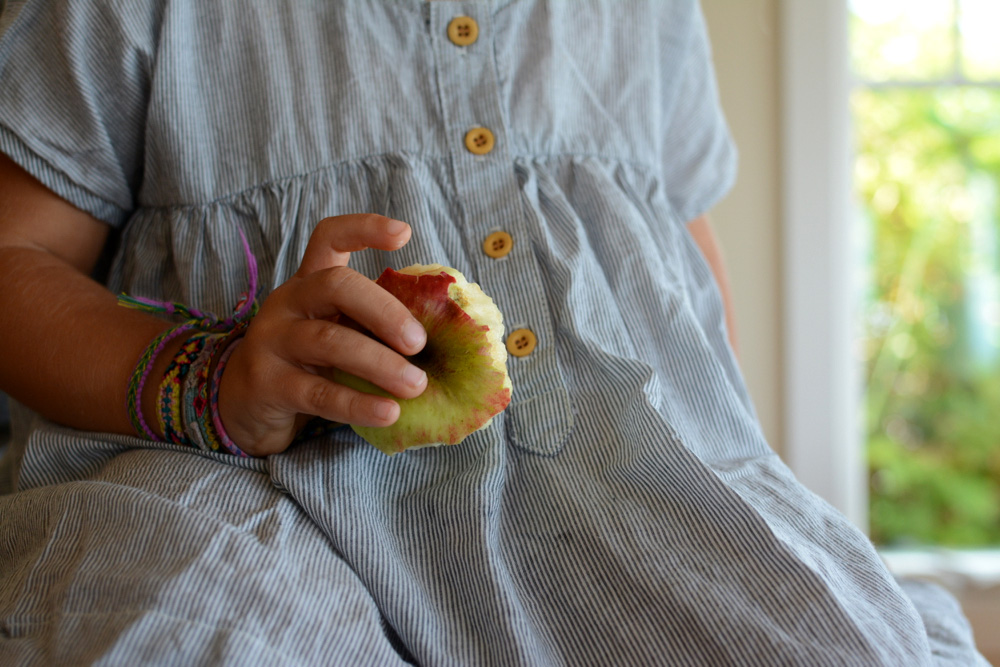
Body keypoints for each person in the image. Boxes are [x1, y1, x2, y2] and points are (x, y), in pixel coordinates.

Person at [0, 1, 987, 664]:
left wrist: (729, 457)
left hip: (615, 496)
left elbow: (678, 263)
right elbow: (15, 258)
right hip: (245, 486)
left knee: (822, 633)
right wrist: (212, 379)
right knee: (186, 617)